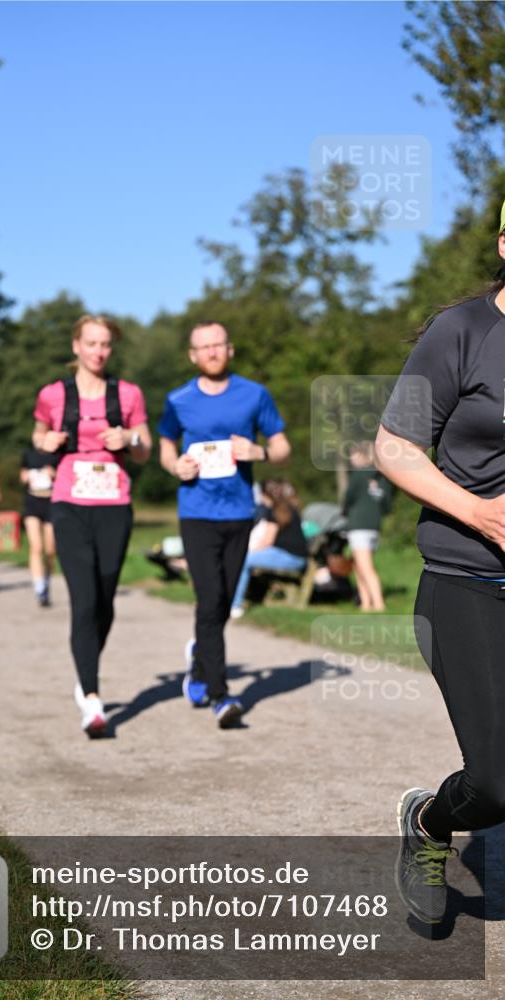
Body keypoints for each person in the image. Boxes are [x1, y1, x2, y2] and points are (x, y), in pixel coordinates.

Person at [375, 198, 505, 926]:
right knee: (495, 785)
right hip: (466, 578)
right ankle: (428, 821)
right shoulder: (462, 332)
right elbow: (394, 447)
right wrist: (481, 513)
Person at [159, 321, 291, 727]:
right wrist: (175, 466)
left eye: (218, 345)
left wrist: (259, 452)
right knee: (210, 597)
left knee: (223, 601)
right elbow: (165, 445)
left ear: (229, 350)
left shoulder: (254, 394)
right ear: (193, 355)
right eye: (204, 347)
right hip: (196, 511)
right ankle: (221, 695)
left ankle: (199, 663)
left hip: (239, 513)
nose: (212, 352)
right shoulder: (179, 399)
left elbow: (282, 447)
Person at [33, 314, 152, 736]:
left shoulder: (128, 394)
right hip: (69, 504)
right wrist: (46, 442)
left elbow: (145, 450)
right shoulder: (53, 394)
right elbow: (38, 436)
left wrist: (129, 439)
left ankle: (85, 667)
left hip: (114, 505)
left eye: (105, 344)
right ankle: (93, 698)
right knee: (83, 600)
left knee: (104, 600)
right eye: (91, 343)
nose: (98, 352)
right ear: (76, 346)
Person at [230, 479, 308, 618]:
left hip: (290, 557)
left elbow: (267, 541)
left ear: (265, 495)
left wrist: (246, 552)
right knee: (245, 558)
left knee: (243, 560)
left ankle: (235, 605)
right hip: (297, 557)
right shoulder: (288, 508)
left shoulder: (274, 512)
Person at [342, 441, 393, 612]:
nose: (351, 460)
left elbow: (348, 499)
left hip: (358, 526)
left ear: (362, 456)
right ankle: (365, 604)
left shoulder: (358, 475)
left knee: (365, 567)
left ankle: (378, 604)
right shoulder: (383, 477)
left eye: (353, 455)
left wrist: (344, 511)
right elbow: (387, 506)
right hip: (374, 527)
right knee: (358, 565)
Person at [20, 444, 60, 607]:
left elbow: (66, 478)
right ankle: (39, 588)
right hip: (32, 502)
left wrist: (53, 474)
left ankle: (47, 582)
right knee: (36, 547)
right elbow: (22, 477)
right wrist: (26, 477)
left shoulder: (57, 454)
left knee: (50, 550)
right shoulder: (28, 454)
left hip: (51, 502)